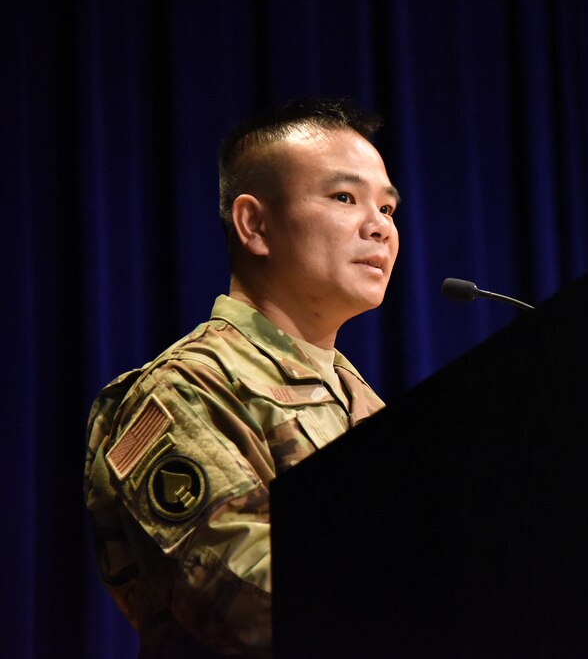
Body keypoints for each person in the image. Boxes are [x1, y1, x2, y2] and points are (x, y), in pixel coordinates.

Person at [84, 98, 400, 657]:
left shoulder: (363, 399)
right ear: (254, 224)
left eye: (389, 209)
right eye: (345, 198)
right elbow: (256, 602)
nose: (379, 228)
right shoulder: (184, 391)